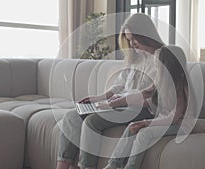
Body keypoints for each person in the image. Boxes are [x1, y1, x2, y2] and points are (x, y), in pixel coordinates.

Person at [56, 13, 165, 169]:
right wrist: (98, 98)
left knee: (91, 122)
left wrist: (118, 102)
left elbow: (153, 97)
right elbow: (119, 86)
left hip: (141, 108)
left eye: (134, 39)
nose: (132, 44)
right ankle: (62, 166)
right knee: (71, 116)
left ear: (145, 34)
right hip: (119, 104)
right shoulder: (134, 57)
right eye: (129, 39)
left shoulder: (161, 58)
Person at [103, 45, 194, 169]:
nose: (155, 68)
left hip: (180, 125)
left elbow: (174, 117)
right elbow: (144, 95)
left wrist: (146, 123)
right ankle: (113, 165)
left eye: (157, 64)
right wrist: (121, 100)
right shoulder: (160, 80)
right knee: (132, 127)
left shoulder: (181, 85)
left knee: (143, 134)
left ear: (167, 66)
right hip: (164, 119)